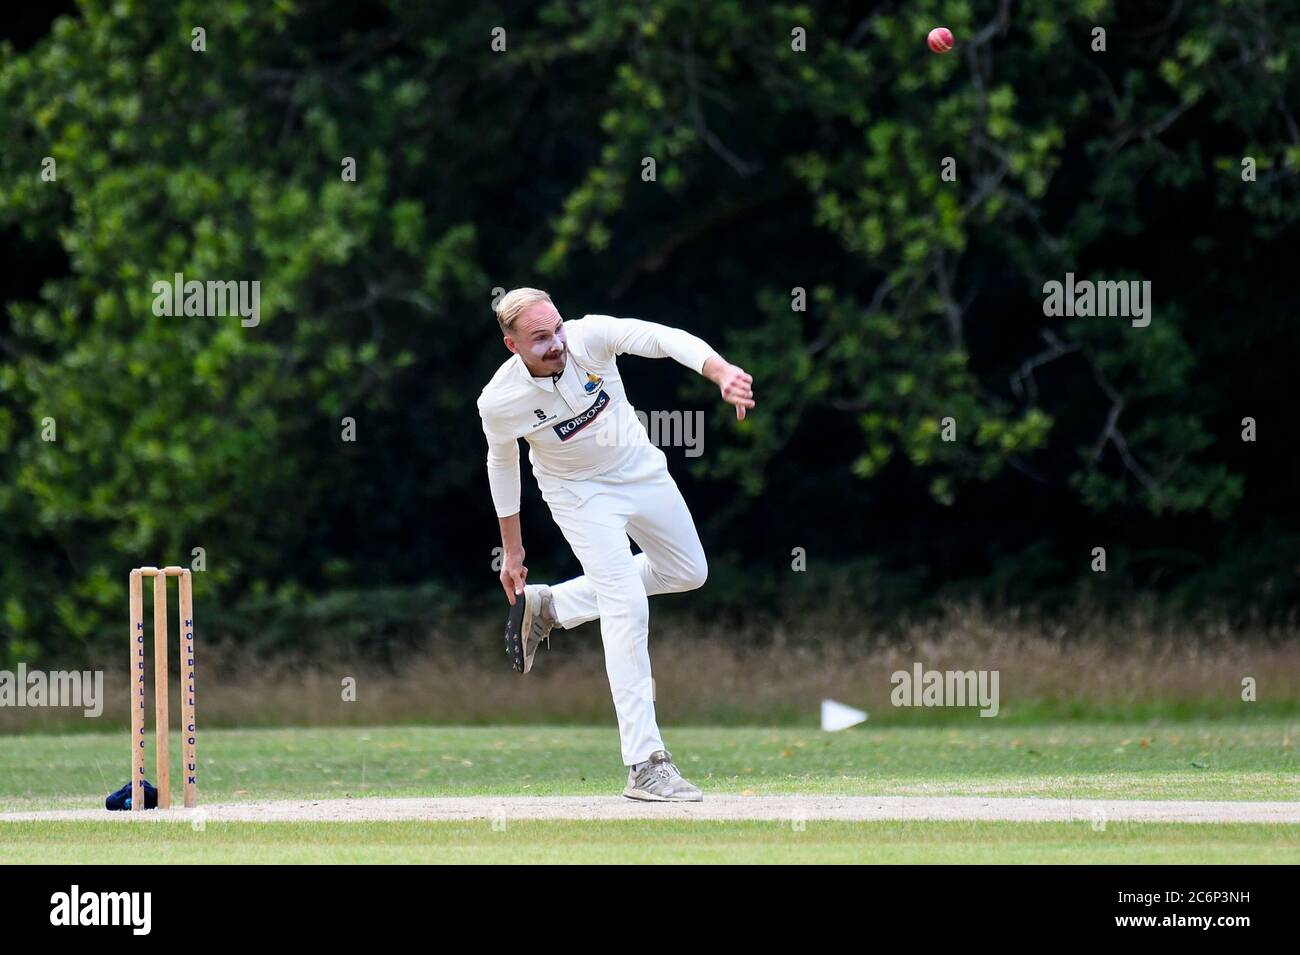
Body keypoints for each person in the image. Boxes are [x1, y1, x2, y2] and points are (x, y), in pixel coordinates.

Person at [476, 288, 755, 801]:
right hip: (579, 496)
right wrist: (511, 550)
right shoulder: (499, 401)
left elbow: (661, 337)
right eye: (539, 338)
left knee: (689, 571)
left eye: (556, 328)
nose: (556, 343)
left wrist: (719, 371)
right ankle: (646, 765)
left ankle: (553, 604)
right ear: (512, 345)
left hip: (638, 471)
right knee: (625, 603)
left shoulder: (589, 337)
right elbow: (502, 463)